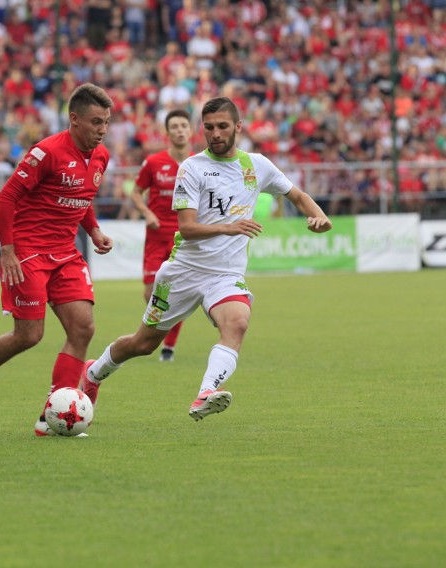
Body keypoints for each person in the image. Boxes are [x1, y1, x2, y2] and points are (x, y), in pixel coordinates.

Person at [78, 97, 332, 422]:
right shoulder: (192, 168)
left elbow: (296, 195)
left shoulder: (256, 165)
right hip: (183, 272)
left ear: (238, 127)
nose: (215, 133)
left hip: (225, 275)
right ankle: (94, 373)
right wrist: (230, 227)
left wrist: (319, 217)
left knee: (237, 322)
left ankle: (206, 392)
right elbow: (187, 227)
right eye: (209, 127)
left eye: (223, 126)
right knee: (143, 344)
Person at [0, 83, 115, 436]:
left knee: (82, 327)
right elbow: (6, 198)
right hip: (28, 253)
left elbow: (80, 196)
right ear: (74, 119)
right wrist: (7, 251)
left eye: (106, 122)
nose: (102, 130)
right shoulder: (46, 152)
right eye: (96, 122)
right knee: (29, 335)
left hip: (66, 253)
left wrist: (94, 230)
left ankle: (53, 414)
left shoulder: (100, 156)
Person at [129, 109, 193, 362]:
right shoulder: (153, 162)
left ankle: (168, 346)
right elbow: (135, 192)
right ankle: (159, 335)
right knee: (151, 294)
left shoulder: (199, 163)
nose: (179, 130)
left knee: (178, 294)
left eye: (183, 126)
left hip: (185, 239)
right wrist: (146, 212)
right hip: (156, 237)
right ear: (167, 133)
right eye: (174, 126)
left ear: (190, 131)